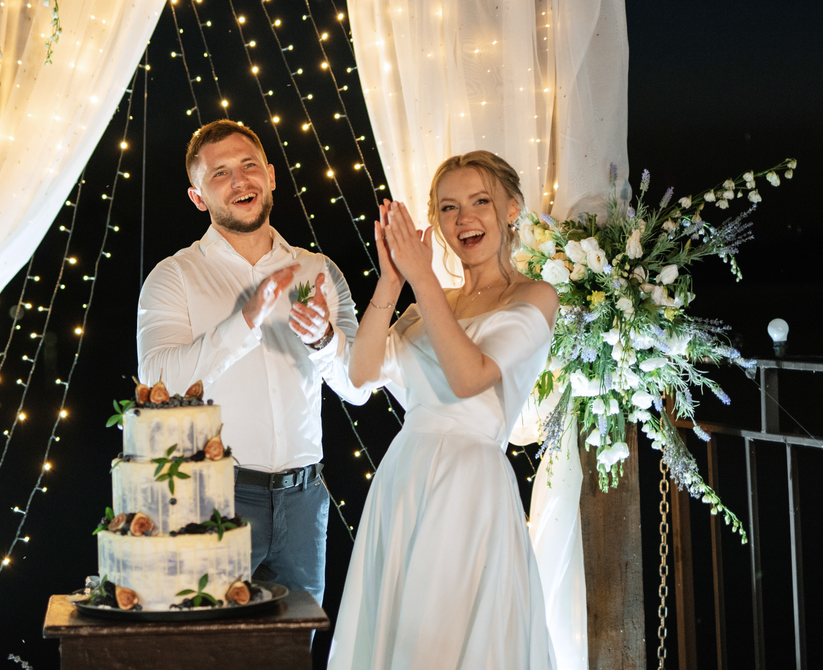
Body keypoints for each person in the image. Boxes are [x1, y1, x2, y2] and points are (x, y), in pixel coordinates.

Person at [327, 151, 559, 669]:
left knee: (443, 635)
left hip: (468, 483)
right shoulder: (422, 304)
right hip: (404, 475)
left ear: (512, 208)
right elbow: (360, 373)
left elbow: (468, 377)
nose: (464, 219)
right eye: (449, 208)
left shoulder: (535, 296)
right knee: (393, 631)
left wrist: (421, 277)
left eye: (481, 201)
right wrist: (391, 280)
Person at [136, 119, 370, 606]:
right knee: (213, 653)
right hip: (214, 498)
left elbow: (358, 387)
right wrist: (246, 320)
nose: (239, 180)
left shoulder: (319, 270)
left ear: (271, 174)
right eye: (219, 173)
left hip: (305, 501)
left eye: (248, 165)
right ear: (198, 197)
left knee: (293, 651)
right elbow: (158, 380)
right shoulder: (173, 276)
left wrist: (325, 339)